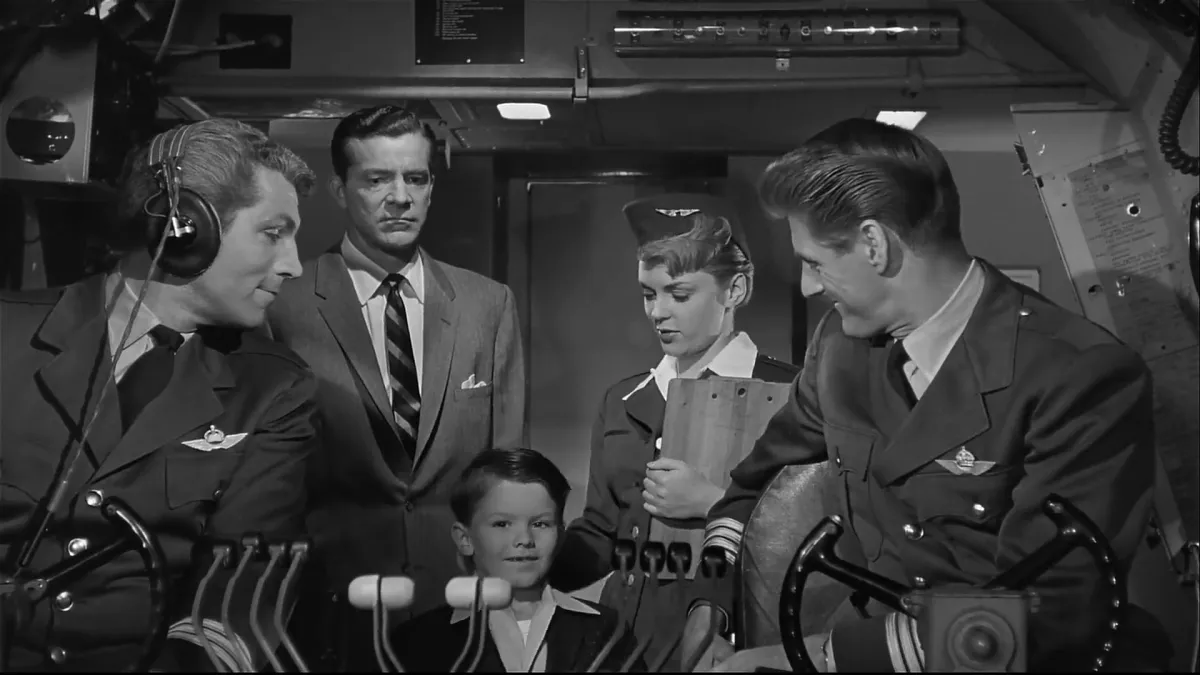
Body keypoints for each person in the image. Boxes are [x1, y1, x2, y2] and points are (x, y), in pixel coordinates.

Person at [682, 118, 1168, 672]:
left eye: (814, 262)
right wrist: (711, 604)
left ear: (875, 244)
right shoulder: (839, 348)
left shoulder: (1080, 376)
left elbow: (1054, 613)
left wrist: (814, 658)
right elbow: (753, 484)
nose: (808, 286)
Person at [0, 118, 319, 671]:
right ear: (183, 227)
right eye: (273, 233)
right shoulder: (7, 336)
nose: (292, 265)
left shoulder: (273, 389)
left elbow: (240, 592)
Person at [265, 104, 527, 667]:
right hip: (332, 605)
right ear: (340, 190)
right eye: (377, 179)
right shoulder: (283, 305)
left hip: (460, 607)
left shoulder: (487, 305)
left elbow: (506, 471)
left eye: (416, 178)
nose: (400, 197)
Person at [548, 195, 800, 670]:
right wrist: (530, 563)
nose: (658, 312)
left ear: (736, 289)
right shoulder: (623, 400)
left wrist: (714, 504)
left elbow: (818, 538)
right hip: (624, 644)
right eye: (649, 294)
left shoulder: (791, 397)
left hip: (734, 643)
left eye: (679, 295)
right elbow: (602, 532)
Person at [390, 448, 640, 672]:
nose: (524, 539)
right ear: (465, 539)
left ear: (561, 534)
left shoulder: (608, 631)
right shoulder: (416, 642)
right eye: (502, 524)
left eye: (540, 524)